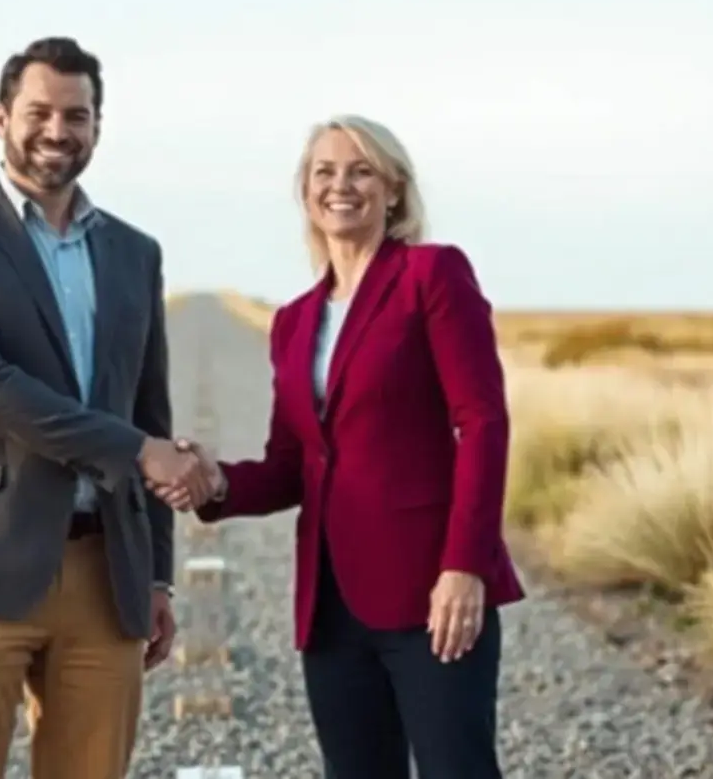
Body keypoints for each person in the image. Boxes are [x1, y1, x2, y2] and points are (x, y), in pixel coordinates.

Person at [151, 114, 525, 779]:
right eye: (325, 171)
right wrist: (215, 484)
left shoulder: (430, 275)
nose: (341, 185)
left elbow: (483, 423)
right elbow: (293, 464)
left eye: (361, 171)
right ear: (306, 190)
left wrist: (465, 567)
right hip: (330, 609)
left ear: (393, 191)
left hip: (431, 593)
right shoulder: (294, 321)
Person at [0, 37, 213, 779]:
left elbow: (148, 410)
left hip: (105, 572)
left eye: (77, 115)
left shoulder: (135, 252)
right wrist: (134, 450)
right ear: (0, 118)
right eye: (39, 112)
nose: (58, 131)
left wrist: (156, 576)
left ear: (98, 126)